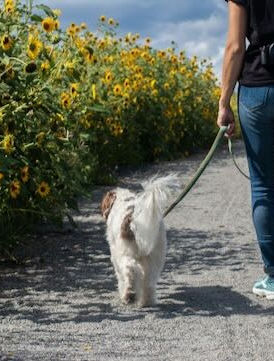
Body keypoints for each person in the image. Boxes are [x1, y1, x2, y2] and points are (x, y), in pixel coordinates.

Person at [217, 0, 274, 299]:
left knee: (264, 186)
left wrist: (224, 102)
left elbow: (235, 46)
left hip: (258, 86)